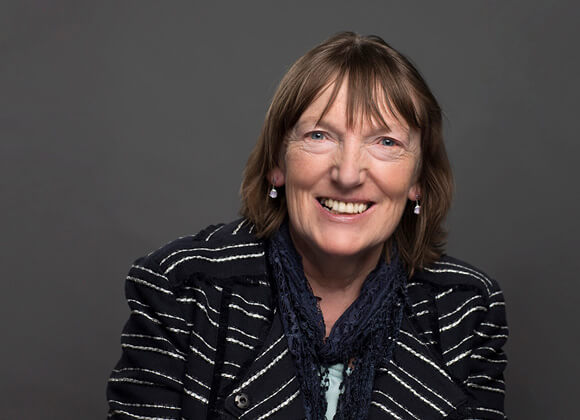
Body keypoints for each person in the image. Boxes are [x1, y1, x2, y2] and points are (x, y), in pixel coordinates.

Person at [107, 32, 508, 420]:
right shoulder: (184, 291)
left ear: (418, 180)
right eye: (319, 135)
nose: (348, 174)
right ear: (278, 163)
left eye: (385, 142)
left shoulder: (466, 308)